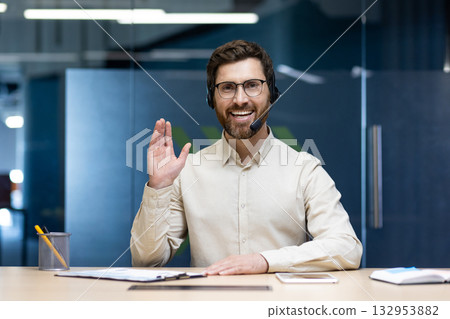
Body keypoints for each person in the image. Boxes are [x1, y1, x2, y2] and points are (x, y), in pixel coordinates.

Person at [130, 40, 362, 275]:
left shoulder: (304, 170)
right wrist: (158, 187)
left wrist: (264, 261)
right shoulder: (188, 171)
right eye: (228, 87)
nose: (240, 99)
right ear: (212, 98)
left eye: (252, 85)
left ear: (272, 93)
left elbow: (346, 248)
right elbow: (147, 261)